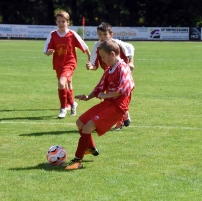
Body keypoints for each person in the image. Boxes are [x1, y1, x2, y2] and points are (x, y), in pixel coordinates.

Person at [65, 40, 135, 170]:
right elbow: (100, 86)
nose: (102, 60)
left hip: (118, 107)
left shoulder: (123, 68)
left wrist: (105, 95)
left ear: (112, 54)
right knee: (80, 123)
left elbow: (125, 89)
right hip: (108, 103)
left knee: (87, 128)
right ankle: (90, 148)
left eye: (103, 57)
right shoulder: (109, 69)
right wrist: (88, 97)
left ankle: (77, 161)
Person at [86, 22, 135, 130]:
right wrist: (91, 66)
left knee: (119, 97)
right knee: (113, 99)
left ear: (111, 35)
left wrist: (131, 62)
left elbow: (130, 47)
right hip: (109, 75)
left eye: (104, 34)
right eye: (99, 34)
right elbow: (95, 65)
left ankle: (119, 122)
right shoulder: (96, 46)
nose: (102, 37)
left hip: (122, 74)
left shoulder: (117, 44)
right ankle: (123, 115)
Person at [43, 10, 91, 119]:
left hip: (70, 63)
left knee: (61, 83)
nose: (61, 24)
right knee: (66, 85)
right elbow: (46, 50)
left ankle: (63, 108)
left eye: (63, 22)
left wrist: (89, 59)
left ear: (68, 22)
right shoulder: (53, 35)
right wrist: (48, 52)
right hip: (58, 64)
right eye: (59, 21)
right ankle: (73, 104)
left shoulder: (72, 34)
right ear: (56, 22)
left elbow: (85, 47)